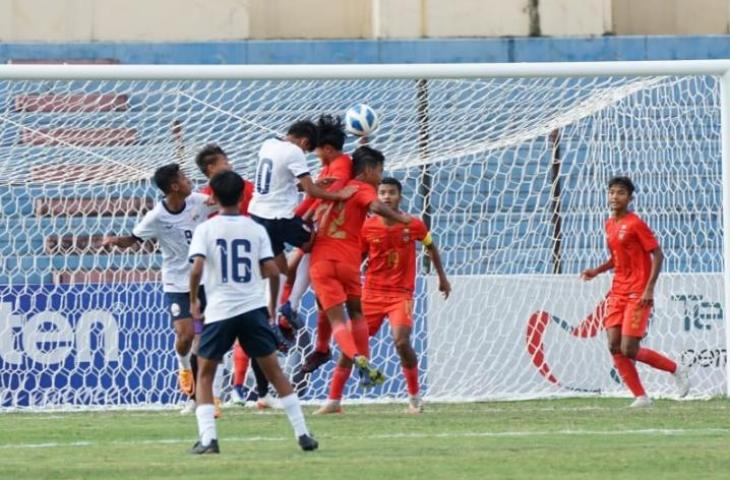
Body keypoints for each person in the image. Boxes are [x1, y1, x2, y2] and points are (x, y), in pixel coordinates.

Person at [187, 170, 318, 454]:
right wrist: (270, 305)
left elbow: (196, 268)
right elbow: (272, 271)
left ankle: (208, 439)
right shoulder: (255, 229)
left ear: (214, 196)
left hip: (220, 310)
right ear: (243, 196)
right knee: (275, 372)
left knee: (206, 372)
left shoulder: (206, 229)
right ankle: (303, 434)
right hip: (252, 308)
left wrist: (193, 301)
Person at [103, 163, 212, 404]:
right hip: (176, 281)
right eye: (184, 178)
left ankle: (204, 395)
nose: (189, 180)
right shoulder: (156, 217)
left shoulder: (199, 201)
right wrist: (113, 241)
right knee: (185, 335)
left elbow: (225, 201)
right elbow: (132, 239)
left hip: (205, 277)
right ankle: (184, 368)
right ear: (174, 187)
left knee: (204, 338)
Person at [309, 146, 412, 392]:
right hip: (348, 262)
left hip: (321, 261)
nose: (380, 177)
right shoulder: (362, 188)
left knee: (336, 319)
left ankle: (354, 357)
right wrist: (400, 218)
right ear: (368, 170)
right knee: (356, 313)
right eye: (379, 171)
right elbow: (375, 207)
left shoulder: (329, 188)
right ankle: (362, 365)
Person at [581, 176, 689, 407]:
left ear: (630, 198)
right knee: (613, 345)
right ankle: (641, 396)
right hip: (618, 291)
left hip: (638, 292)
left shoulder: (635, 223)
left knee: (629, 348)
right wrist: (597, 270)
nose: (615, 196)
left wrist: (649, 288)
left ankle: (676, 369)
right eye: (611, 192)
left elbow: (658, 255)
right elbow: (617, 258)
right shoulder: (609, 224)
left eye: (620, 192)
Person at [247, 119, 356, 321]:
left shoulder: (269, 143)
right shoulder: (294, 151)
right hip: (277, 217)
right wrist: (339, 195)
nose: (307, 154)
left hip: (257, 214)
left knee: (279, 269)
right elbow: (310, 190)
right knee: (314, 242)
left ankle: (271, 317)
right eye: (308, 149)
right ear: (304, 141)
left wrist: (315, 185)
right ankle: (292, 304)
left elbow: (283, 183)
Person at [194, 144, 274, 411]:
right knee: (206, 340)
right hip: (215, 280)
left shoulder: (245, 188)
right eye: (223, 160)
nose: (228, 163)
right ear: (210, 169)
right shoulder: (201, 200)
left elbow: (264, 209)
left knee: (254, 336)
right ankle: (206, 397)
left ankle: (261, 392)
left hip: (247, 275)